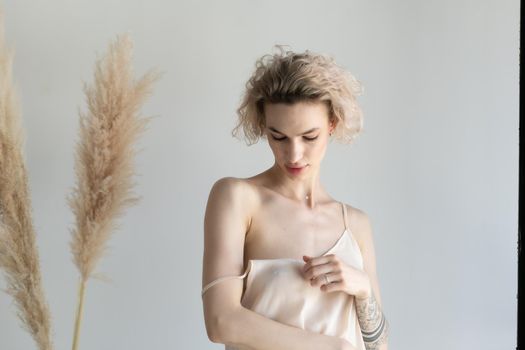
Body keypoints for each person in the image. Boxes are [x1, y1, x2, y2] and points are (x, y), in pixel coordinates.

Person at [201, 45, 389, 350]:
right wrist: (331, 347)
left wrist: (364, 289)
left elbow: (379, 346)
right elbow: (221, 321)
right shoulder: (237, 198)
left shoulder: (355, 223)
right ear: (263, 127)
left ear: (332, 125)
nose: (294, 154)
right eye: (278, 137)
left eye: (309, 137)